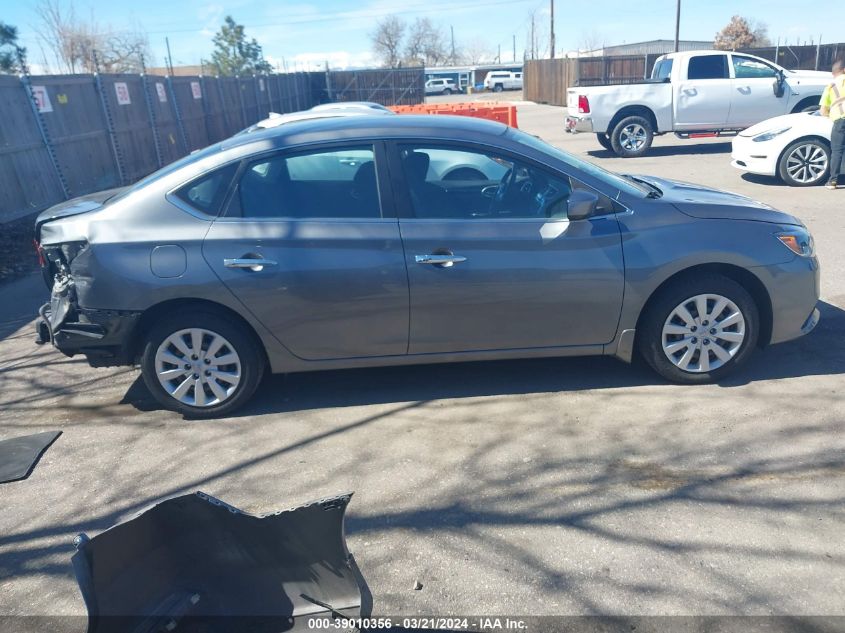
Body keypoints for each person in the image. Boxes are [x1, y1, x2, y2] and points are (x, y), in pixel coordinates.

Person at [820, 58, 845, 189]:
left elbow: (823, 110)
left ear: (833, 72)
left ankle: (833, 181)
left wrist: (831, 114)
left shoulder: (831, 86)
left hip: (840, 121)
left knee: (837, 151)